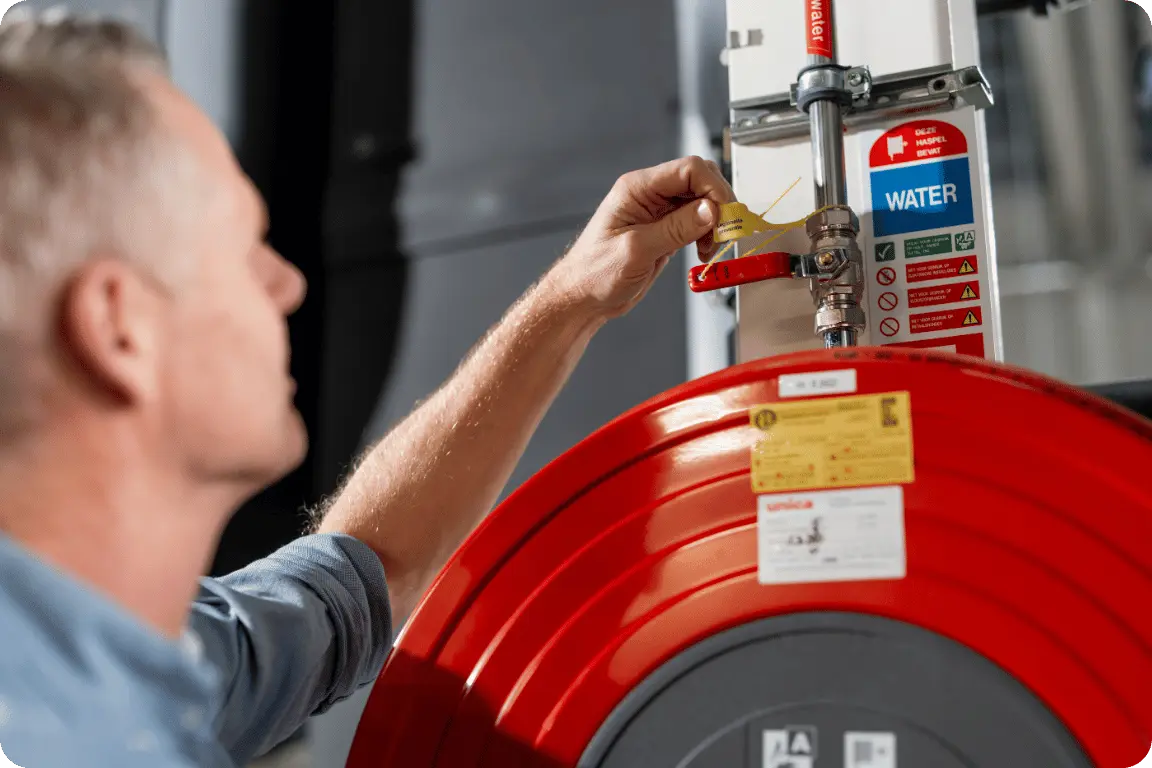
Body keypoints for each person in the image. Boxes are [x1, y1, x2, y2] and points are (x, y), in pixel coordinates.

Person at [0, 12, 735, 768]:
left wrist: (572, 298)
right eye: (243, 250)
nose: (286, 285)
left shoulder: (148, 662)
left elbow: (372, 572)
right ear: (120, 328)